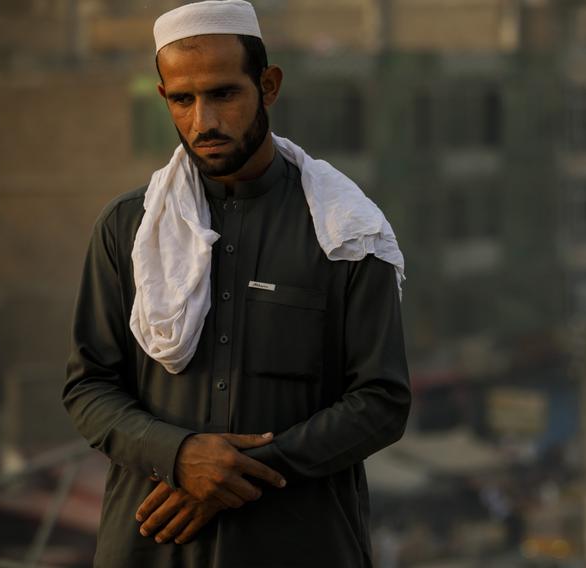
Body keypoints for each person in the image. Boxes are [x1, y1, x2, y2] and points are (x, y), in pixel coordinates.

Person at [62, 1, 410, 566]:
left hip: (298, 545)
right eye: (184, 99)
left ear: (267, 86)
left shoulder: (345, 231)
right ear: (165, 100)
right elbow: (88, 387)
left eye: (224, 93)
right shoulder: (127, 228)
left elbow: (381, 401)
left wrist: (239, 474)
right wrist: (177, 458)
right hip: (150, 548)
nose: (205, 122)